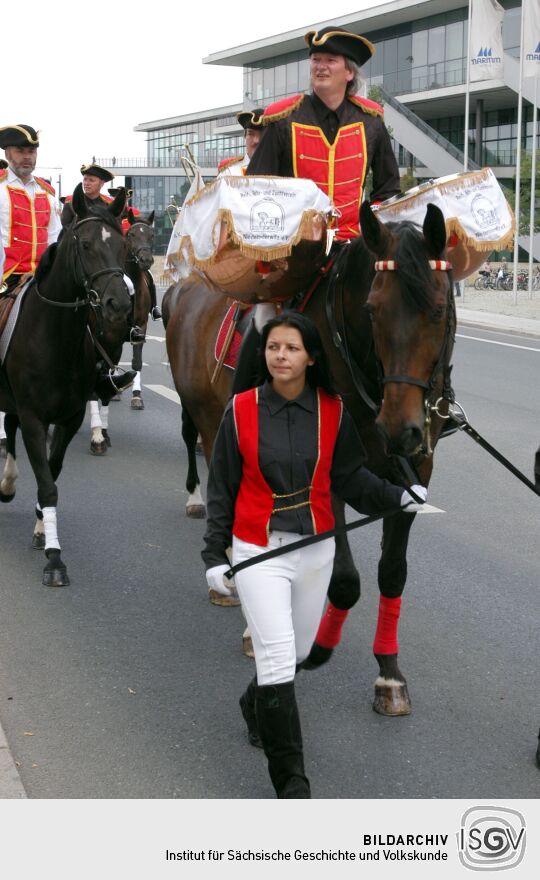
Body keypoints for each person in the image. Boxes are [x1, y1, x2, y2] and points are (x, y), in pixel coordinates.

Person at [202, 311, 427, 798]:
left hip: (316, 550)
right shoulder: (240, 409)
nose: (280, 356)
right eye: (273, 347)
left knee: (298, 653)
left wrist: (398, 497)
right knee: (279, 658)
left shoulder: (333, 411)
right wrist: (214, 555)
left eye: (291, 348)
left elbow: (350, 478)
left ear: (310, 358)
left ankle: (255, 703)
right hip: (258, 550)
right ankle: (293, 787)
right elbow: (221, 487)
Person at [231, 25, 401, 393]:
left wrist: (373, 231)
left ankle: (426, 401)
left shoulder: (371, 122)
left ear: (349, 72)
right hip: (294, 254)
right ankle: (240, 404)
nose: (320, 66)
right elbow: (256, 190)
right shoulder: (283, 119)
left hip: (355, 249)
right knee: (263, 322)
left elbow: (389, 191)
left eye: (330, 60)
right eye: (315, 60)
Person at [0, 124, 62, 292]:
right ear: (7, 154)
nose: (27, 157)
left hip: (42, 276)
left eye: (31, 151)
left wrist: (45, 271)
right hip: (6, 276)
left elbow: (54, 237)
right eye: (20, 151)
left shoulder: (46, 192)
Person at [217, 108, 264, 176]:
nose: (256, 140)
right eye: (251, 134)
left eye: (263, 134)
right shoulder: (229, 172)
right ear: (245, 136)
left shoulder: (279, 169)